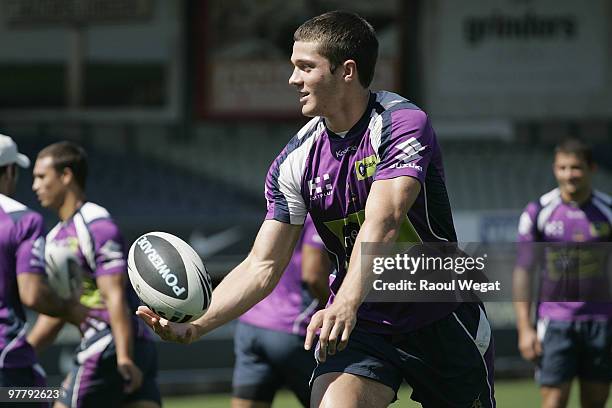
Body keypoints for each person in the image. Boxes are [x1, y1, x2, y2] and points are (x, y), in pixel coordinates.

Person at [138, 11, 495, 407]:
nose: (293, 79)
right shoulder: (295, 160)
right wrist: (197, 326)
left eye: (305, 67)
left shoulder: (403, 123)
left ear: (346, 71)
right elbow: (263, 265)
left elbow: (386, 219)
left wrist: (344, 301)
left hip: (439, 313)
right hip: (365, 325)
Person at [27, 141, 161, 408]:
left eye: (42, 177)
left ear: (66, 176)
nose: (35, 186)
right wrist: (21, 352)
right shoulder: (54, 238)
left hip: (110, 345)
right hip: (127, 346)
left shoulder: (97, 224)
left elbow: (115, 296)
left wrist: (124, 356)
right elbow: (59, 312)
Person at [514, 137, 612, 408]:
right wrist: (524, 328)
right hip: (555, 323)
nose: (570, 174)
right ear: (555, 169)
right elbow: (524, 271)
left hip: (602, 322)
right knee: (553, 401)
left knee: (595, 402)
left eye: (576, 167)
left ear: (591, 168)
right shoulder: (539, 212)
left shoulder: (608, 212)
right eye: (563, 168)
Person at [0, 135, 87, 398]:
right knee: (54, 397)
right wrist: (75, 310)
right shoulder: (24, 220)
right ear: (11, 171)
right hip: (7, 364)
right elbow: (32, 294)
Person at [233, 215, 331, 408]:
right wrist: (340, 307)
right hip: (292, 329)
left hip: (251, 323)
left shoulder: (280, 207)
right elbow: (313, 275)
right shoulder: (317, 211)